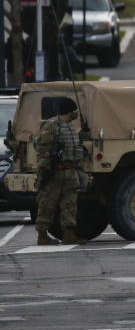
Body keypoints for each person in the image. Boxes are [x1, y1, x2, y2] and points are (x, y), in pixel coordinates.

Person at [35, 98, 86, 246]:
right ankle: (42, 235)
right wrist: (44, 170)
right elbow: (43, 150)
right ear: (69, 111)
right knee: (47, 204)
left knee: (69, 204)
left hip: (70, 171)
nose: (76, 113)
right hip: (55, 172)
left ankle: (68, 234)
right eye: (74, 110)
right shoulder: (51, 125)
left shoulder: (70, 126)